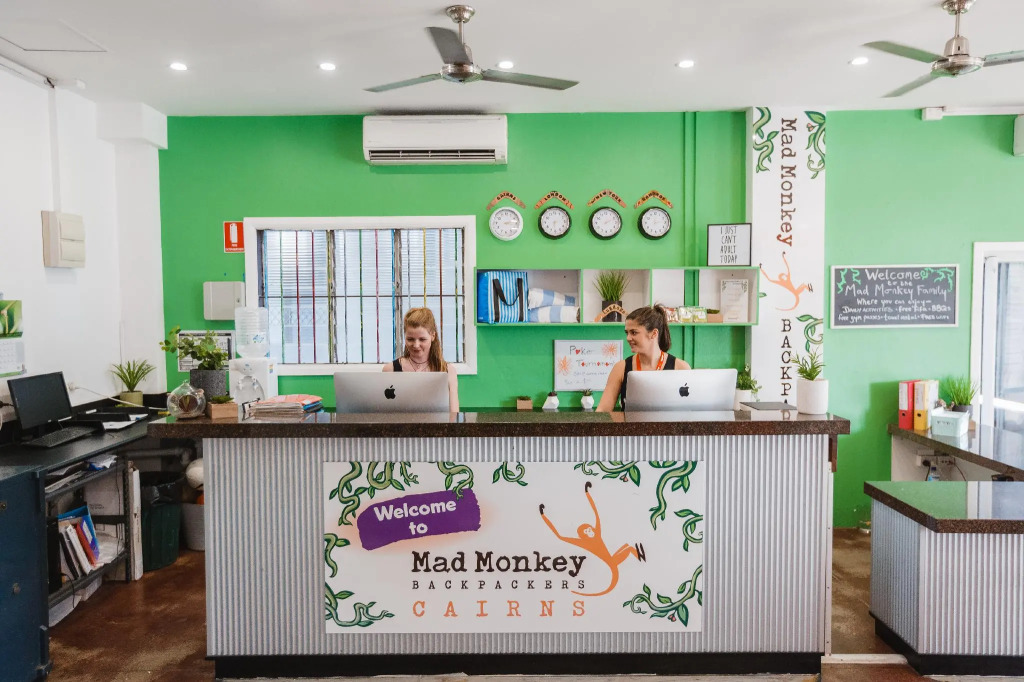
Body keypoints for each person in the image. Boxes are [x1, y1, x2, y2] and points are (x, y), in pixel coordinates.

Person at [596, 304, 691, 412]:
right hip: (629, 424)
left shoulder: (680, 367)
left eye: (634, 332)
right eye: (627, 333)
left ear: (654, 334)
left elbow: (690, 412)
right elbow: (603, 410)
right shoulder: (620, 368)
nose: (628, 338)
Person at [383, 307, 459, 412]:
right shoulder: (390, 369)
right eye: (410, 339)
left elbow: (454, 414)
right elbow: (384, 412)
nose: (416, 345)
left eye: (422, 339)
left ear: (433, 336)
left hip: (438, 423)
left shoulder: (448, 371)